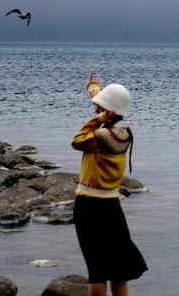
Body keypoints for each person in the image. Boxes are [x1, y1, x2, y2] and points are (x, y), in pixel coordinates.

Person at [71, 73, 147, 296]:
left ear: (106, 113)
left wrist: (96, 119)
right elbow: (109, 106)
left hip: (88, 206)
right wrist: (93, 88)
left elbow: (76, 141)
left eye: (99, 109)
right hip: (112, 206)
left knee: (97, 271)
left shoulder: (101, 137)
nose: (96, 111)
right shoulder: (123, 133)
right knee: (119, 271)